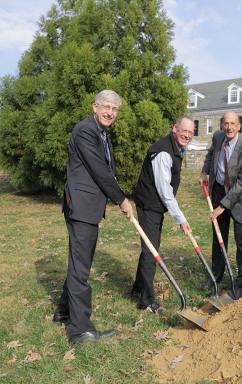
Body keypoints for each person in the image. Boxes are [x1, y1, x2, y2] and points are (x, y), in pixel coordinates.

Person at [53, 90, 133, 344]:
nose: (110, 112)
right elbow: (99, 169)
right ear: (94, 107)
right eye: (106, 107)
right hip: (82, 206)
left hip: (87, 206)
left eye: (115, 109)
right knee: (80, 269)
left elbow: (106, 168)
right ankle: (80, 330)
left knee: (80, 262)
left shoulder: (101, 132)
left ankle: (64, 312)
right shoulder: (86, 130)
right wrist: (121, 198)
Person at [131, 117, 194, 312]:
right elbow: (165, 192)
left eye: (190, 132)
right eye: (183, 130)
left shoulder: (175, 147)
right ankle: (147, 300)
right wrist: (181, 219)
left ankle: (138, 288)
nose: (187, 135)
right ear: (174, 129)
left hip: (154, 204)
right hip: (149, 204)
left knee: (150, 246)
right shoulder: (164, 152)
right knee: (151, 250)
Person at [199, 111, 242, 299]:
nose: (229, 127)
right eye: (226, 123)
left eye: (233, 124)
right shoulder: (217, 137)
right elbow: (210, 155)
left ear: (239, 125)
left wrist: (222, 206)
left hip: (239, 198)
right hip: (218, 190)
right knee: (218, 236)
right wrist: (204, 171)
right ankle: (216, 274)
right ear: (222, 124)